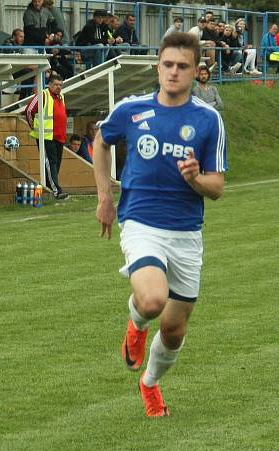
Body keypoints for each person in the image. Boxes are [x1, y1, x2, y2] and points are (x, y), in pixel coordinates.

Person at [93, 31, 226, 418]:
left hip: (186, 233)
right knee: (152, 301)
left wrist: (195, 179)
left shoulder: (208, 121)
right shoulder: (131, 110)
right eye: (167, 65)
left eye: (182, 67)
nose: (173, 72)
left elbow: (217, 188)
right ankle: (136, 325)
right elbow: (101, 141)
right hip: (141, 221)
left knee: (174, 331)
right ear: (157, 67)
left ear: (195, 71)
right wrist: (104, 195)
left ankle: (149, 384)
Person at [25, 73, 67, 197]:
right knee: (51, 163)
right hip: (47, 137)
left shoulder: (61, 97)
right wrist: (33, 126)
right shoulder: (43, 95)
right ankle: (56, 191)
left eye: (60, 85)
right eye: (56, 84)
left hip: (59, 136)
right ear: (49, 85)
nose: (58, 87)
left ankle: (51, 187)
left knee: (56, 164)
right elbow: (29, 110)